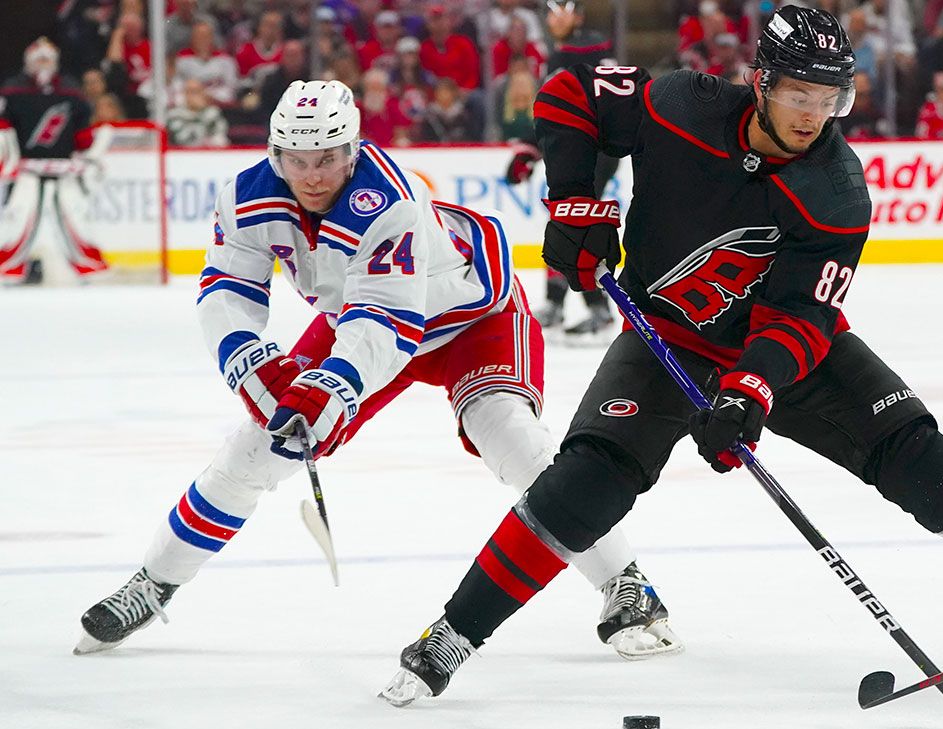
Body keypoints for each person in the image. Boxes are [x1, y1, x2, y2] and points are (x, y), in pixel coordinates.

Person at [377, 7, 943, 708]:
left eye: (830, 100)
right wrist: (576, 199)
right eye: (800, 95)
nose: (813, 115)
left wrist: (749, 391)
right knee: (585, 480)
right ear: (762, 81)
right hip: (667, 341)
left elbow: (801, 314)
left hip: (787, 356)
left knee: (921, 455)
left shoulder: (835, 188)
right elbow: (568, 90)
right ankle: (451, 635)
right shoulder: (681, 105)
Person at [73, 80, 682, 663]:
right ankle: (153, 584)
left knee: (516, 445)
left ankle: (627, 583)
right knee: (254, 448)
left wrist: (326, 388)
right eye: (296, 158)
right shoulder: (247, 195)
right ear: (274, 152)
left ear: (355, 147)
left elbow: (384, 321)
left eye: (329, 157)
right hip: (362, 322)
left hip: (471, 318)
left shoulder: (391, 198)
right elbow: (227, 287)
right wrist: (250, 365)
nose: (312, 174)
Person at [503, 0, 617, 341]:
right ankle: (564, 304)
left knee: (572, 223)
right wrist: (531, 148)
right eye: (551, 11)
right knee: (566, 222)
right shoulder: (563, 52)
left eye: (562, 9)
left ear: (578, 15)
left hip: (592, 149)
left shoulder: (583, 49)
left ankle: (595, 309)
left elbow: (565, 109)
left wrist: (531, 147)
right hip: (581, 148)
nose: (554, 17)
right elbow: (555, 110)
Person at [0, 37, 109, 284]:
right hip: (26, 171)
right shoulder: (13, 91)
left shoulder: (71, 93)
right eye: (38, 59)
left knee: (76, 219)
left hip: (64, 171)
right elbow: (4, 130)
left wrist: (88, 156)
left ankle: (89, 266)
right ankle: (9, 267)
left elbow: (83, 136)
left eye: (47, 59)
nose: (43, 64)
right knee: (19, 220)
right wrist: (7, 159)